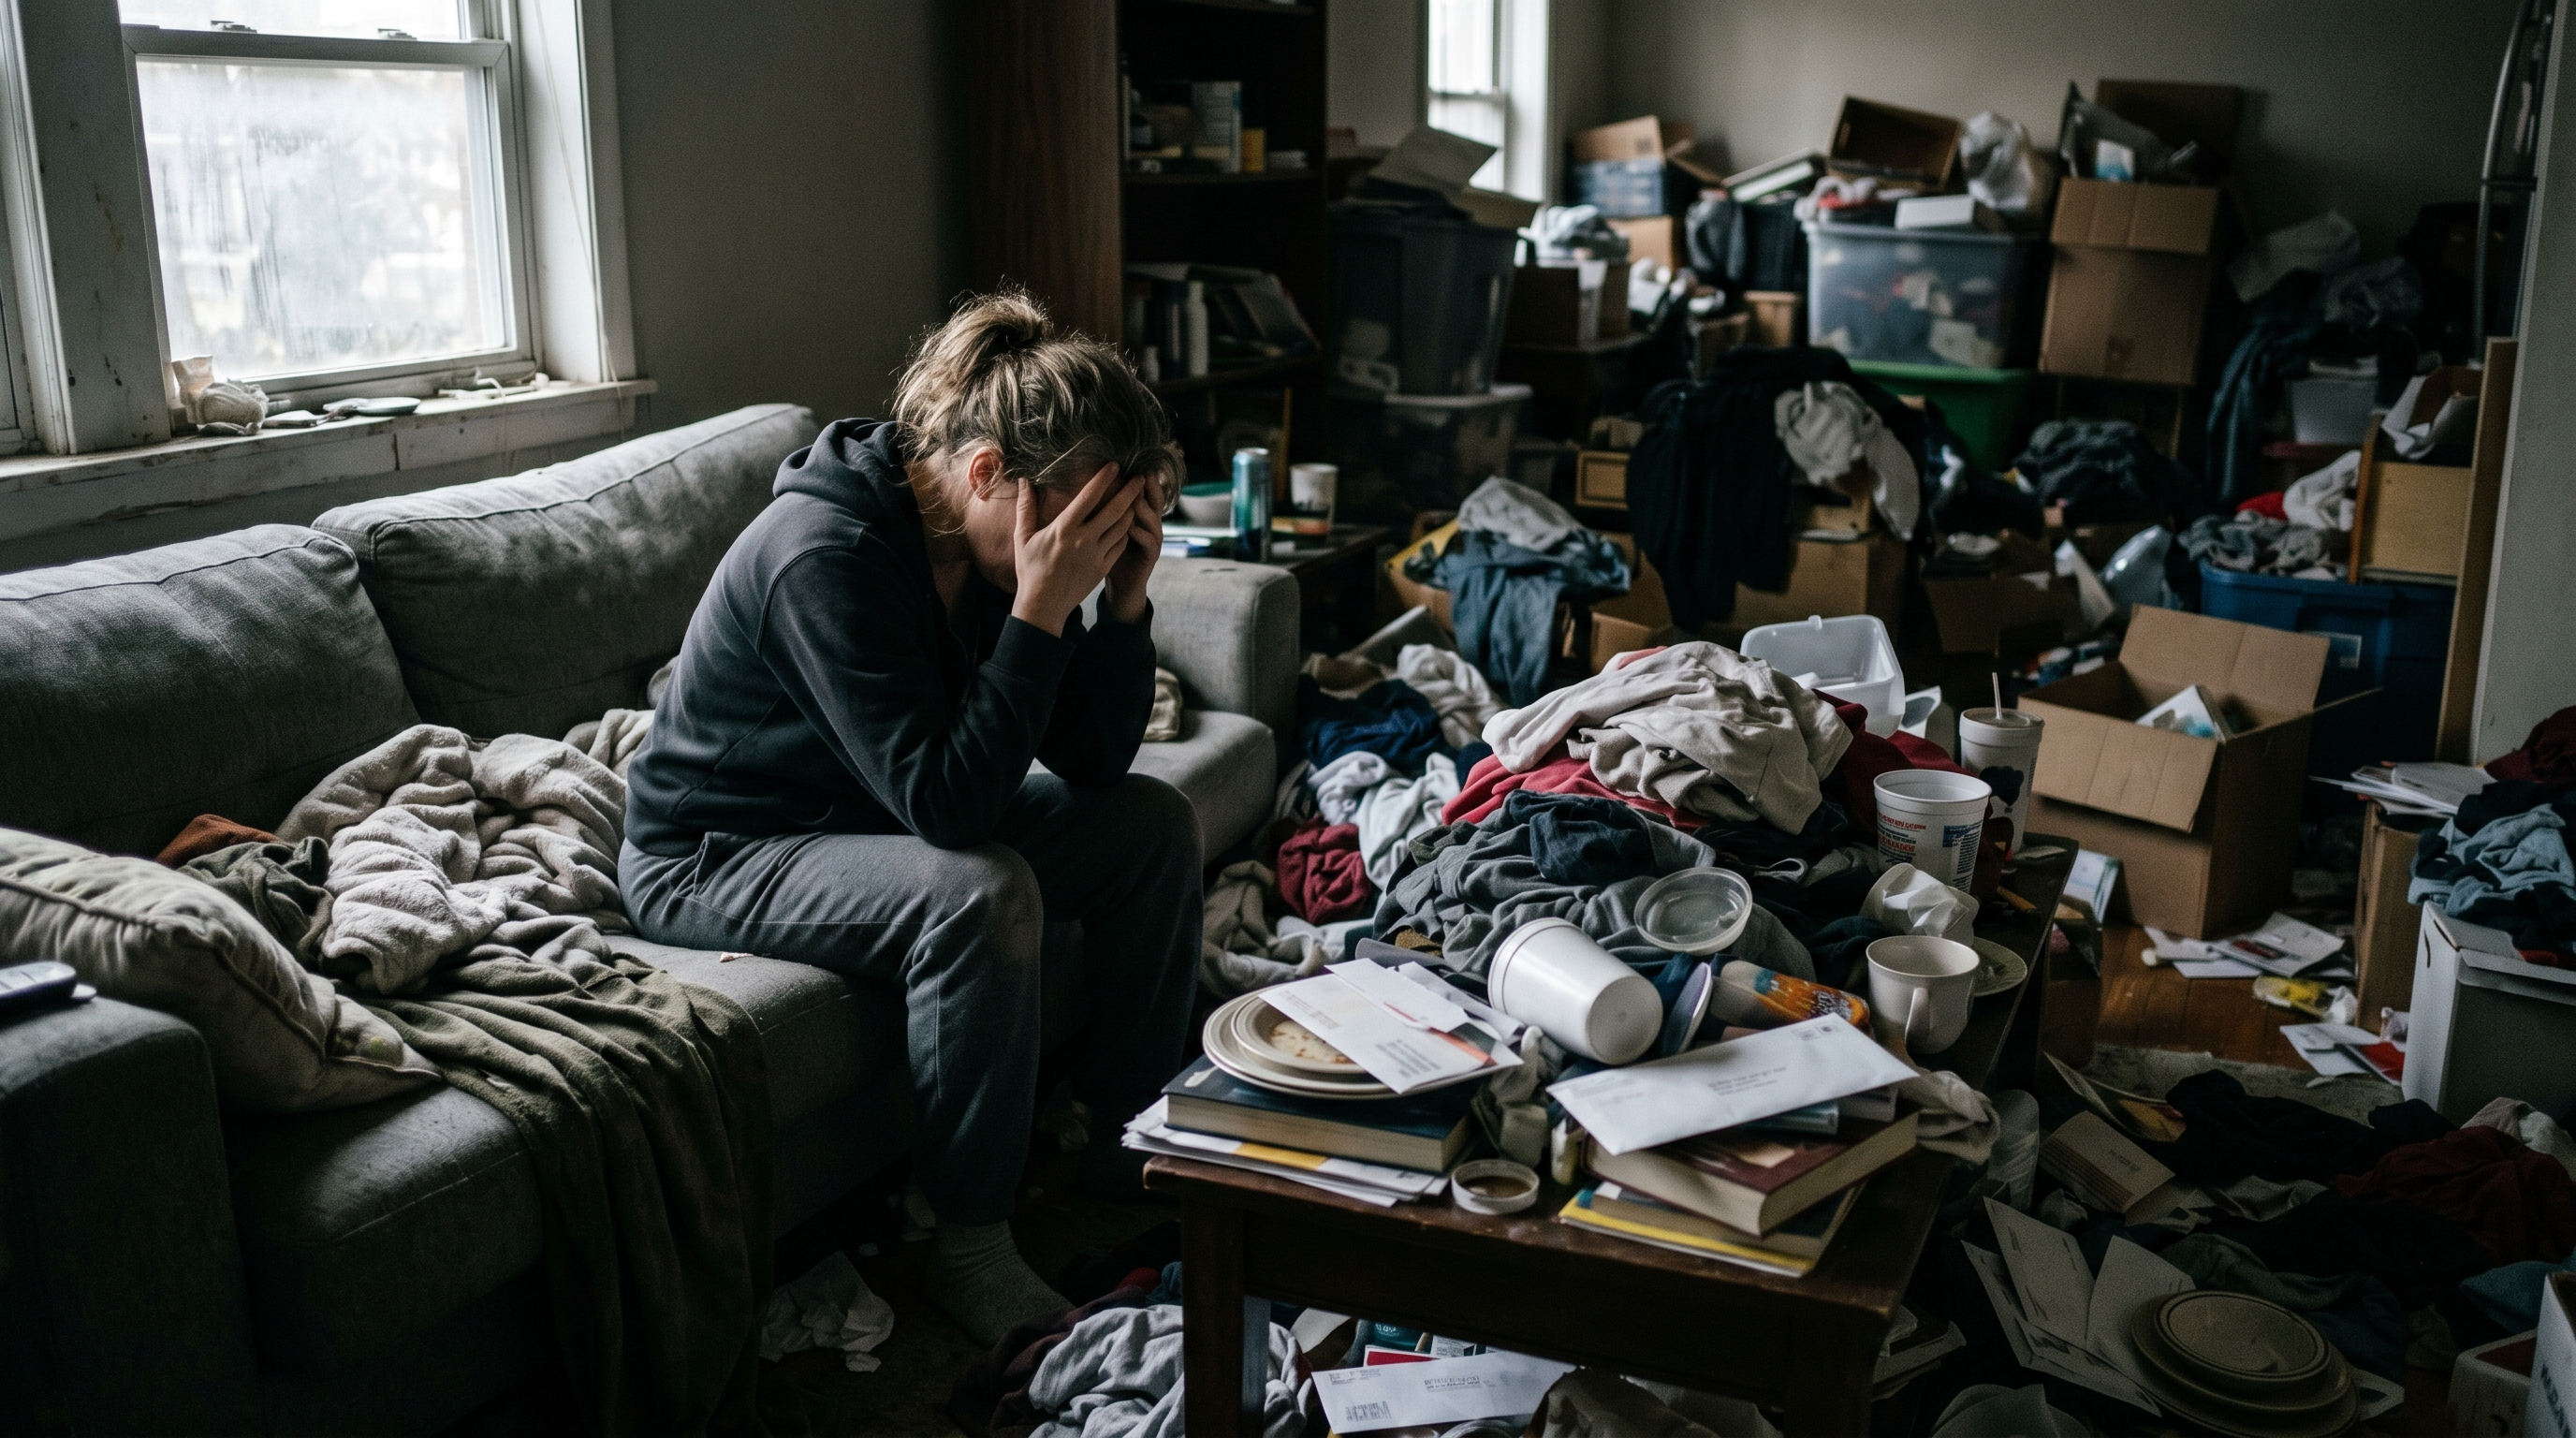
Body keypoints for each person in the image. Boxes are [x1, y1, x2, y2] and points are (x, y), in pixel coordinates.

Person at [620, 291, 1201, 1344]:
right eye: (1079, 521)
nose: (1082, 546)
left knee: (1150, 826)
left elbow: (1095, 761)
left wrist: (1120, 604)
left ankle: (1132, 1144)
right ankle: (970, 1244)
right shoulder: (823, 553)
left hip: (869, 815)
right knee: (982, 892)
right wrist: (1038, 609)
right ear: (986, 473)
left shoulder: (985, 542)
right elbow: (950, 808)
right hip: (719, 851)